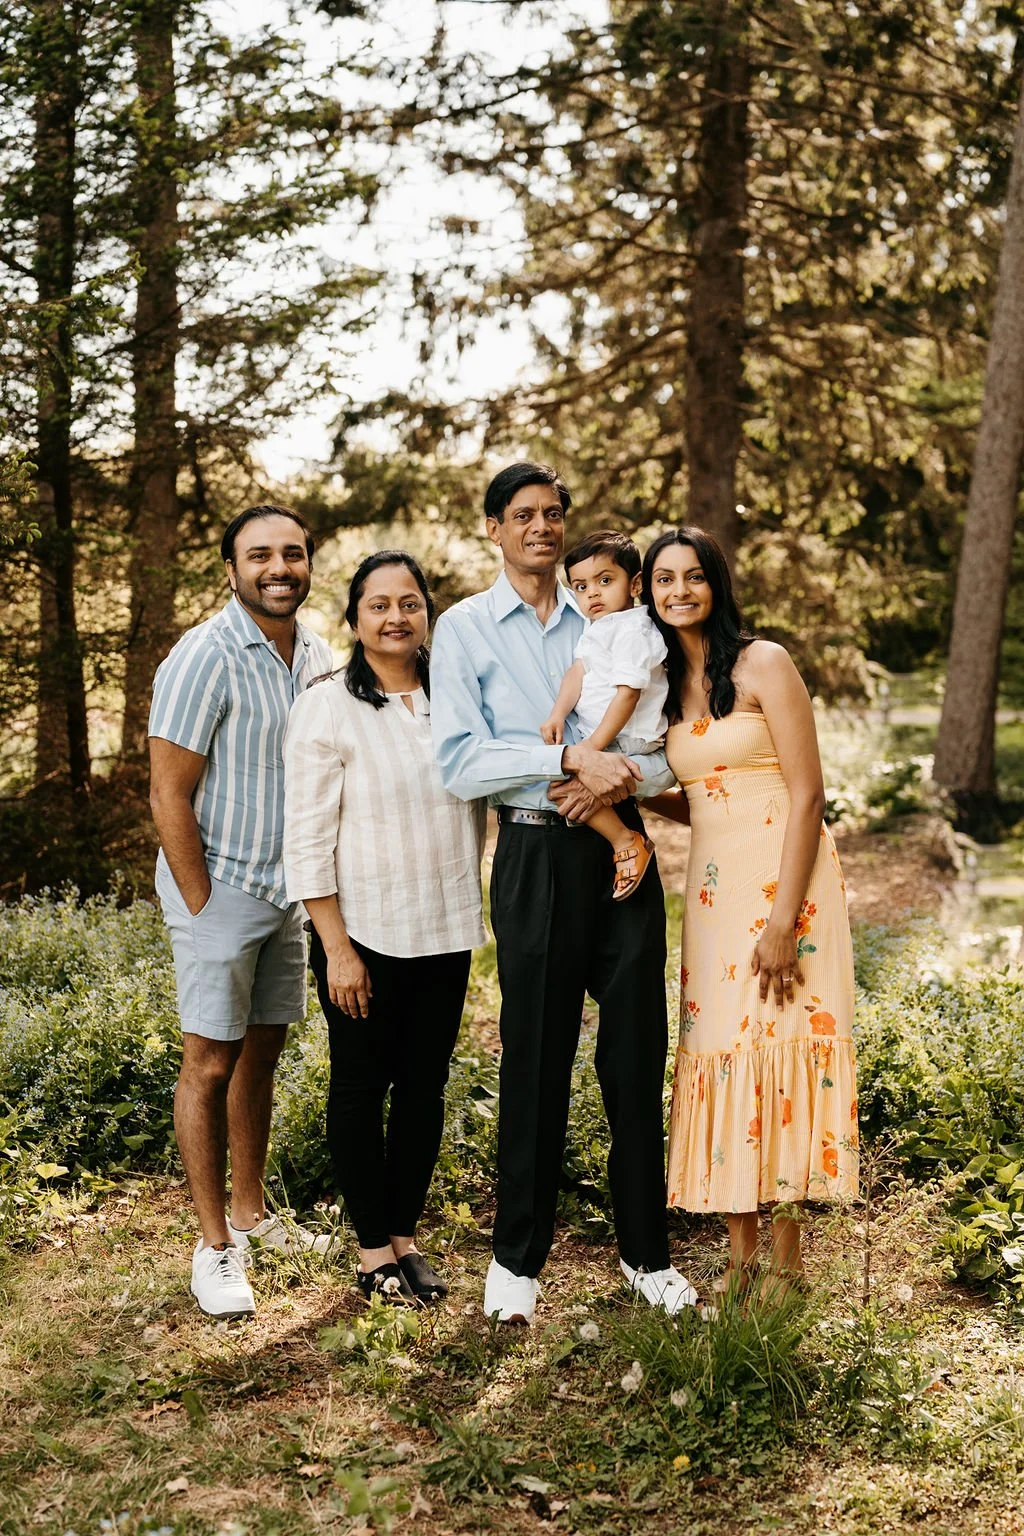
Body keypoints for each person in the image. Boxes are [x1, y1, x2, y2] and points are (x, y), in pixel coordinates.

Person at [430, 461, 698, 1324]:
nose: (540, 528)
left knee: (634, 1052)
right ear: (494, 529)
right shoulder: (465, 629)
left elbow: (657, 741)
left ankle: (646, 1253)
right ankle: (517, 1262)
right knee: (536, 1056)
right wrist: (565, 761)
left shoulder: (618, 617)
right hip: (536, 858)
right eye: (523, 516)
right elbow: (460, 760)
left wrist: (613, 784)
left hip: (622, 860)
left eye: (552, 514)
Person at [641, 527, 858, 1293]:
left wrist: (780, 924)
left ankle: (789, 1265)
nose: (678, 592)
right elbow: (703, 797)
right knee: (722, 1049)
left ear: (716, 583)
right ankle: (739, 1256)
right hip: (711, 895)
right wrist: (625, 794)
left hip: (786, 888)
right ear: (649, 592)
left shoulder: (763, 662)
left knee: (785, 1046)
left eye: (692, 577)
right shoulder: (662, 684)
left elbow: (808, 795)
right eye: (663, 580)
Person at [283, 551, 485, 1306]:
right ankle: (372, 1251)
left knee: (425, 1089)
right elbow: (305, 836)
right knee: (362, 1088)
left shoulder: (456, 697)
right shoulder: (327, 704)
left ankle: (404, 1234)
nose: (395, 617)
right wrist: (334, 947)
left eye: (409, 603)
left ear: (427, 612)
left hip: (446, 924)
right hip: (362, 933)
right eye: (378, 605)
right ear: (356, 618)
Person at [149, 504, 335, 1321]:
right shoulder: (205, 654)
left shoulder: (318, 653)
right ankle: (214, 1245)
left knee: (261, 1054)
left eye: (292, 554)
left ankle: (254, 1214)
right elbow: (167, 792)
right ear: (231, 567)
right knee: (209, 1063)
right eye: (260, 555)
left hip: (287, 891)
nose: (279, 568)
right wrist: (202, 902)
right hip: (219, 886)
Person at [539, 530, 668, 900]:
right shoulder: (597, 629)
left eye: (605, 580)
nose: (592, 593)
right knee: (562, 787)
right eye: (580, 587)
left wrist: (592, 750)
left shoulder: (633, 629)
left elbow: (628, 694)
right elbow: (577, 672)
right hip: (604, 738)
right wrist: (557, 714)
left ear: (635, 584)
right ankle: (625, 840)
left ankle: (626, 842)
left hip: (631, 741)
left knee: (568, 787)